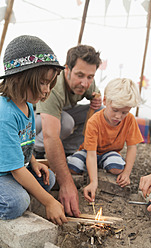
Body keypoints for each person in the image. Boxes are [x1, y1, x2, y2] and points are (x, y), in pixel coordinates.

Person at [0, 35, 68, 225]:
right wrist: (49, 201)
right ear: (20, 79)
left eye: (50, 84)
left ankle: (18, 189)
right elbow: (16, 169)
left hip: (12, 168)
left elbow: (23, 143)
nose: (47, 90)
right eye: (42, 83)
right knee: (16, 202)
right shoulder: (5, 114)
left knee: (48, 178)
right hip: (6, 170)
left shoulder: (27, 105)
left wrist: (34, 162)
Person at [35, 45, 102, 216]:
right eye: (80, 75)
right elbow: (51, 136)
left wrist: (96, 100)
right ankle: (38, 149)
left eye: (90, 77)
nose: (84, 83)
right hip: (34, 121)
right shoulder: (55, 86)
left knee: (100, 111)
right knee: (65, 122)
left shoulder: (87, 82)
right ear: (67, 69)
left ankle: (69, 152)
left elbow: (96, 95)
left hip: (60, 116)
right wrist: (66, 182)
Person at [67, 78, 144, 202]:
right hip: (89, 153)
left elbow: (132, 147)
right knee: (73, 166)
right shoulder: (94, 121)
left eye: (124, 112)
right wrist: (93, 182)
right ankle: (86, 166)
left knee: (117, 168)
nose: (118, 116)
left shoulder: (129, 120)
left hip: (109, 153)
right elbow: (91, 153)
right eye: (115, 110)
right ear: (105, 101)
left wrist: (126, 173)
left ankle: (97, 166)